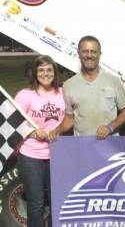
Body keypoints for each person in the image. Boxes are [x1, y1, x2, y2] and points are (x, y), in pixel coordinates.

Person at [48, 35, 125, 141]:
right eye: (85, 51)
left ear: (100, 54)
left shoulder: (114, 81)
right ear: (78, 53)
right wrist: (57, 130)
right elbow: (70, 118)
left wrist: (110, 127)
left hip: (109, 146)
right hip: (83, 146)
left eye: (93, 51)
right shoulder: (69, 85)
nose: (89, 55)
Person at [15, 55, 65, 227]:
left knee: (57, 201)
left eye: (49, 70)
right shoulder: (25, 95)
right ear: (35, 73)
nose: (45, 73)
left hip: (57, 154)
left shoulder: (63, 93)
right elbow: (15, 124)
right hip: (31, 155)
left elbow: (70, 119)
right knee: (36, 202)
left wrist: (58, 130)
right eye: (41, 70)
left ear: (55, 72)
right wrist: (33, 134)